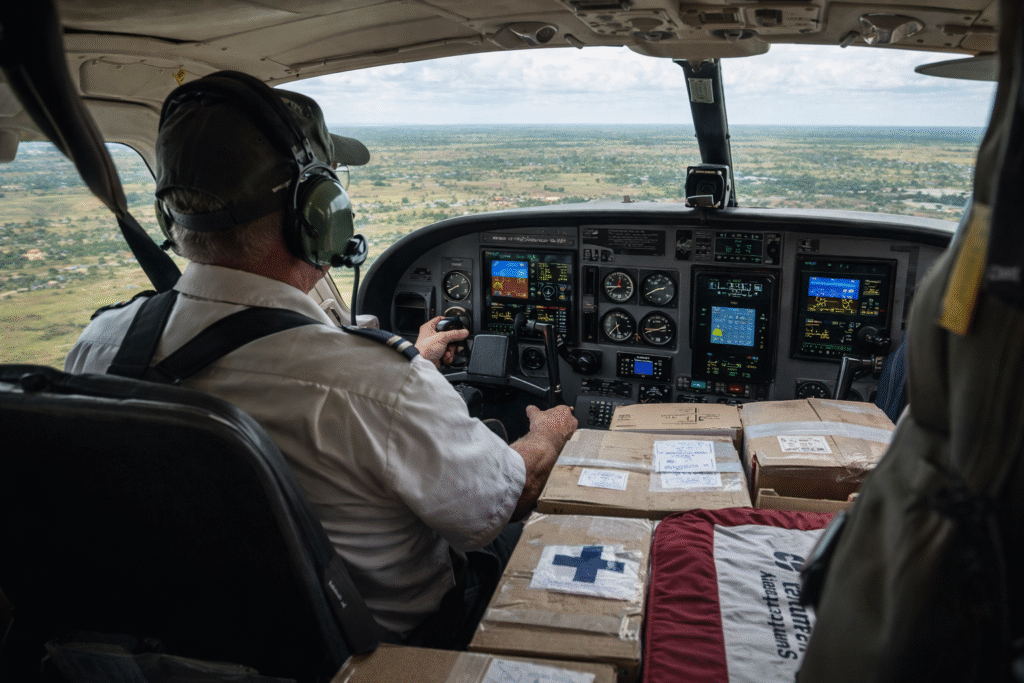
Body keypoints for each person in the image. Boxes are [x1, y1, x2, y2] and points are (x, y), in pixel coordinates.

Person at [64, 73, 577, 647]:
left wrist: (414, 368)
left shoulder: (101, 344)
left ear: (170, 219)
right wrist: (552, 435)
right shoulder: (378, 382)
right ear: (319, 212)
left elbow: (336, 392)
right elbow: (502, 503)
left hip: (186, 646)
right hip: (384, 651)